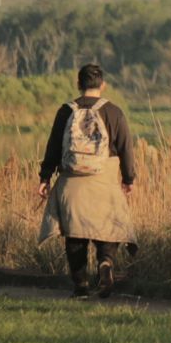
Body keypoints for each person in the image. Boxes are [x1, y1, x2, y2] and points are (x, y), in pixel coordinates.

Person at [37, 63, 138, 299]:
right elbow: (126, 149)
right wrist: (128, 178)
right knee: (107, 229)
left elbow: (53, 148)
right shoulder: (114, 112)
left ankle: (81, 286)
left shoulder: (65, 111)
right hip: (104, 177)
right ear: (102, 85)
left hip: (72, 180)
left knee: (75, 233)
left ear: (78, 85)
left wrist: (45, 177)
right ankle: (105, 262)